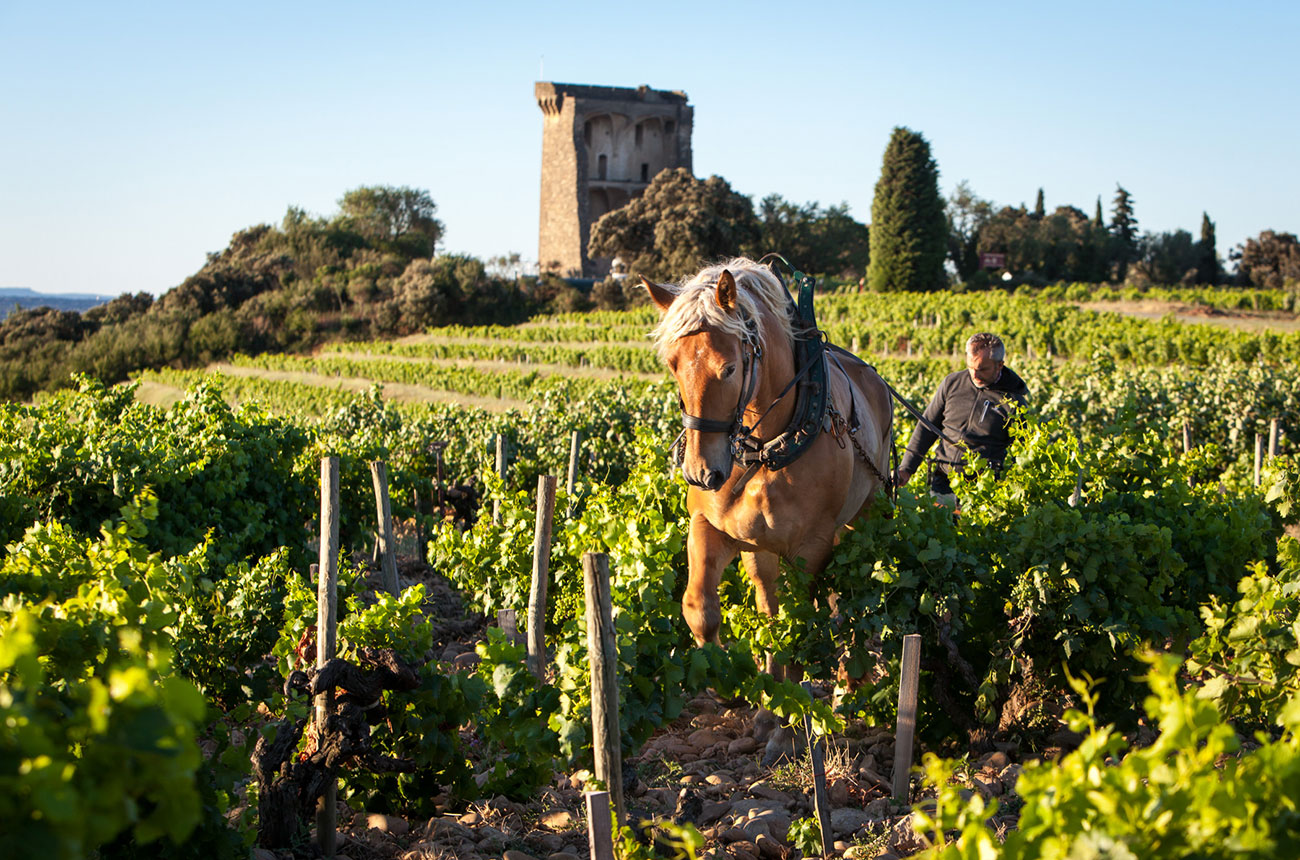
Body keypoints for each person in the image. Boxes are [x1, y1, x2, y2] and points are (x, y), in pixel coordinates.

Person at [894, 332, 1029, 500]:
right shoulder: (952, 383)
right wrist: (907, 468)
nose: (975, 375)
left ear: (999, 365)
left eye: (982, 369)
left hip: (983, 491)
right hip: (943, 480)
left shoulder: (1013, 401)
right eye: (971, 368)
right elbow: (927, 426)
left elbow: (1023, 452)